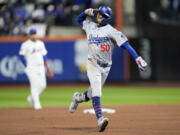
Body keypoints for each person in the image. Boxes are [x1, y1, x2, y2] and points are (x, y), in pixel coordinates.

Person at [69, 5, 147, 132]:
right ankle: (100, 120)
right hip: (92, 63)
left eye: (103, 15)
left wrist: (138, 58)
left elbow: (126, 45)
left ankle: (77, 98)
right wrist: (85, 12)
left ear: (108, 18)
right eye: (99, 14)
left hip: (106, 67)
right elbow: (79, 20)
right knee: (97, 92)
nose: (100, 16)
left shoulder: (111, 31)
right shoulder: (90, 25)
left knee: (89, 94)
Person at [19, 28, 53, 110]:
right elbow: (21, 56)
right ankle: (37, 104)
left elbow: (44, 55)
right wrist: (26, 66)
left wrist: (47, 67)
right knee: (34, 85)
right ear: (30, 35)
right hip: (31, 67)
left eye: (35, 33)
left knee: (43, 85)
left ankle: (31, 98)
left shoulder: (41, 43)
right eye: (32, 34)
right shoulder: (25, 44)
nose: (34, 35)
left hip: (41, 67)